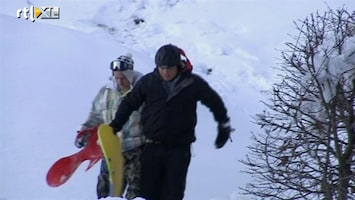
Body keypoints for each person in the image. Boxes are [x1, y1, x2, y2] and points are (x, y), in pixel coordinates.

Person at [109, 44, 233, 200]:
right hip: (151, 147)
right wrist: (116, 124)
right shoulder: (149, 82)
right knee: (146, 194)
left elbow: (214, 102)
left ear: (178, 66)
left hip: (179, 150)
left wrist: (223, 125)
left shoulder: (192, 83)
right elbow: (129, 103)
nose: (165, 72)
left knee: (172, 194)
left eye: (169, 68)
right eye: (162, 68)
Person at [74, 53, 145, 200]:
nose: (119, 81)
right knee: (106, 193)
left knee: (136, 193)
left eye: (123, 78)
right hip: (110, 150)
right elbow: (96, 115)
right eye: (116, 77)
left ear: (130, 75)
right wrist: (84, 132)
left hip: (136, 151)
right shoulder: (106, 92)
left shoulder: (143, 91)